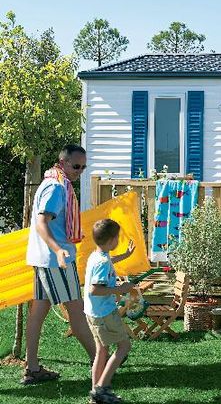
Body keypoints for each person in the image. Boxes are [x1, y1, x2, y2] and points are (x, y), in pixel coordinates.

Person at [23, 144, 95, 385]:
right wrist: (58, 249)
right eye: (76, 166)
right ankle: (100, 361)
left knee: (38, 312)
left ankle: (32, 368)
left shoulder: (51, 181)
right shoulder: (56, 187)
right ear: (63, 163)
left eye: (83, 168)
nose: (79, 171)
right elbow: (42, 222)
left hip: (43, 259)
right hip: (57, 261)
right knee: (77, 311)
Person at [85, 218, 136, 404]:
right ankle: (102, 388)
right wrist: (120, 289)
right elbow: (94, 289)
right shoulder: (102, 263)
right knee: (124, 347)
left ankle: (95, 394)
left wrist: (125, 255)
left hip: (93, 312)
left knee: (101, 351)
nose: (118, 240)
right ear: (111, 240)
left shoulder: (96, 256)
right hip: (105, 313)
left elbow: (108, 261)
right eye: (117, 237)